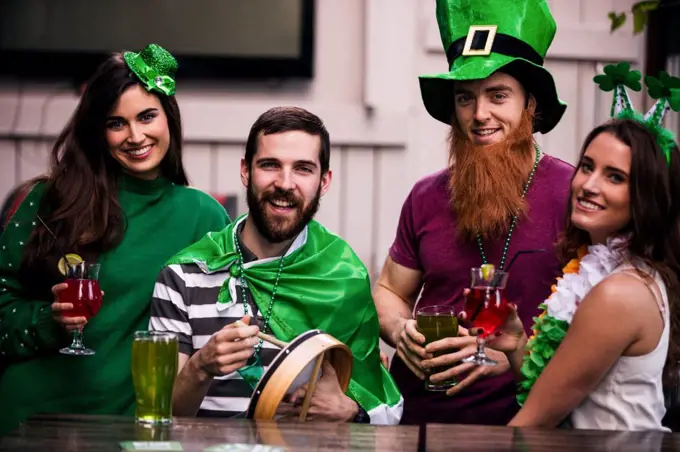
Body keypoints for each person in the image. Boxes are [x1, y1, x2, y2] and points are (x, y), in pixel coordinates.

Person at [0, 44, 229, 433]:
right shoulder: (46, 200)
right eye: (116, 123)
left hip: (132, 426)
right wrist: (49, 320)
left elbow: (224, 325)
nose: (135, 135)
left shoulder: (203, 216)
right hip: (30, 420)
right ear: (97, 131)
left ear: (168, 118)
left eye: (146, 116)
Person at [444, 63, 680, 431]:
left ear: (645, 197)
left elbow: (535, 420)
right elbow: (559, 389)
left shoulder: (620, 293)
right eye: (587, 167)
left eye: (614, 177)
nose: (588, 185)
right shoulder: (610, 271)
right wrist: (520, 343)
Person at [373, 0, 575, 425]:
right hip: (418, 420)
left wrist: (517, 358)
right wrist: (400, 331)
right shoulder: (426, 196)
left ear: (530, 105)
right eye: (466, 98)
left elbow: (595, 328)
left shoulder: (572, 195)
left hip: (523, 423)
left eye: (497, 95)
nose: (480, 115)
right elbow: (390, 290)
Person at [149, 106, 403, 424]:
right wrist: (201, 366)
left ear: (324, 181)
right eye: (270, 165)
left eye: (303, 169)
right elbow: (160, 414)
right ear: (245, 170)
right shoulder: (183, 276)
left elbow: (381, 406)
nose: (284, 183)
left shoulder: (343, 277)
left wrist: (351, 411)